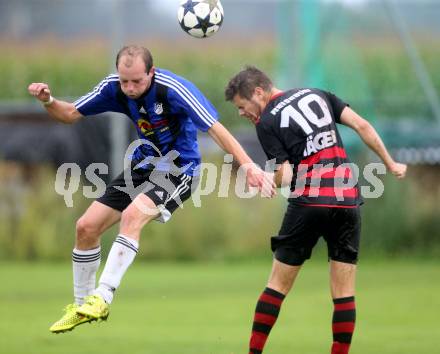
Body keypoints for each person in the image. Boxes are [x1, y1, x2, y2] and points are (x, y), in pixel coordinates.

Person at [28, 46, 275, 334]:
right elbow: (70, 113)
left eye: (137, 81)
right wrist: (48, 101)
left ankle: (103, 296)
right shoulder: (114, 88)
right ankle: (82, 305)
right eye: (125, 81)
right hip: (142, 167)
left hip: (179, 169)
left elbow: (216, 129)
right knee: (86, 227)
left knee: (132, 216)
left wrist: (249, 166)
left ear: (151, 73)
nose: (130, 88)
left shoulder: (174, 90)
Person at [224, 66, 407, 354]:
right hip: (347, 199)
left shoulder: (268, 121)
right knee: (344, 293)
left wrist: (265, 181)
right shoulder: (318, 94)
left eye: (241, 106)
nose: (241, 113)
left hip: (309, 201)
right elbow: (363, 126)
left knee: (277, 286)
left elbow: (284, 175)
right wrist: (391, 164)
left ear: (259, 92)